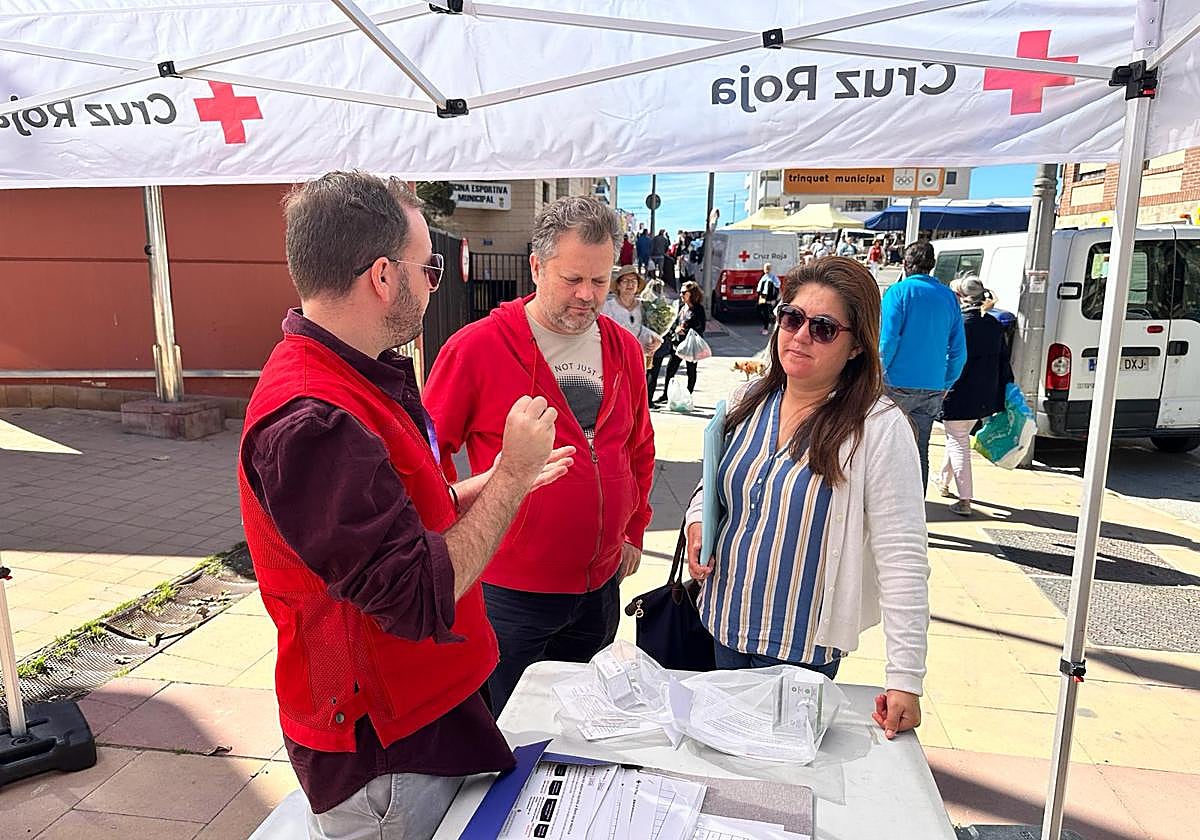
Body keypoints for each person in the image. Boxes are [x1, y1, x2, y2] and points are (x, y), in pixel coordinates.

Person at [238, 172, 574, 838]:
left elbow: (395, 519)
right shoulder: (315, 420)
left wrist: (500, 477)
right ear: (385, 277)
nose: (432, 283)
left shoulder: (351, 375)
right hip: (387, 755)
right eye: (431, 267)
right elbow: (419, 592)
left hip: (418, 724)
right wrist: (509, 479)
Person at [424, 196, 655, 714]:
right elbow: (427, 455)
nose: (587, 295)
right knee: (507, 732)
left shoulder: (622, 348)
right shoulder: (475, 348)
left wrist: (634, 530)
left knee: (581, 731)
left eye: (600, 281)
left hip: (600, 586)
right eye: (572, 279)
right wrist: (459, 539)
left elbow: (638, 446)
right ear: (535, 266)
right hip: (510, 592)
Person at [686, 256, 928, 740]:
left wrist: (906, 678)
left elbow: (903, 557)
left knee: (778, 786)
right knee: (724, 765)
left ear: (857, 345)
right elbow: (712, 483)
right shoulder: (748, 400)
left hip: (799, 653)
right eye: (791, 318)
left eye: (822, 328)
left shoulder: (876, 429)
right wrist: (698, 523)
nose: (799, 336)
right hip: (723, 626)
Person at [879, 241, 967, 488]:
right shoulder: (949, 297)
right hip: (932, 385)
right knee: (920, 451)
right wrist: (946, 382)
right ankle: (916, 513)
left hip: (896, 383)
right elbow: (959, 351)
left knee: (885, 450)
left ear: (905, 264)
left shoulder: (897, 293)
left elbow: (887, 342)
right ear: (932, 265)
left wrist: (877, 375)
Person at [937, 275, 1011, 516]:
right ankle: (944, 481)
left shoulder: (960, 324)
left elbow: (951, 360)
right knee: (957, 437)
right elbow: (1003, 361)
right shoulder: (992, 324)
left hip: (959, 393)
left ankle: (965, 499)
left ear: (960, 297)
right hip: (983, 395)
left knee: (957, 441)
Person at [650, 280, 707, 406]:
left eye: (683, 292)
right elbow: (675, 323)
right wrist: (672, 331)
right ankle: (665, 394)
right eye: (681, 292)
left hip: (690, 345)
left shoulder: (698, 309)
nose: (681, 295)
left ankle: (688, 395)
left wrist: (685, 330)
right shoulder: (682, 307)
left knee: (691, 370)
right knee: (670, 369)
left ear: (691, 293)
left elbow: (701, 327)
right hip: (678, 345)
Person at [602, 264, 664, 363]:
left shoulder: (646, 307)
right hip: (615, 361)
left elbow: (656, 332)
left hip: (639, 360)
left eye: (634, 281)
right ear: (618, 285)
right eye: (625, 281)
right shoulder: (607, 308)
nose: (630, 284)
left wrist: (657, 342)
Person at [755, 261, 780, 335]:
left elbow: (777, 287)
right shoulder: (764, 276)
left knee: (766, 312)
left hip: (769, 297)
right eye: (765, 268)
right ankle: (769, 320)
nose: (766, 269)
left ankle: (766, 327)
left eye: (768, 268)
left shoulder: (773, 277)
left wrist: (774, 298)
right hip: (762, 296)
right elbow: (760, 287)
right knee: (759, 310)